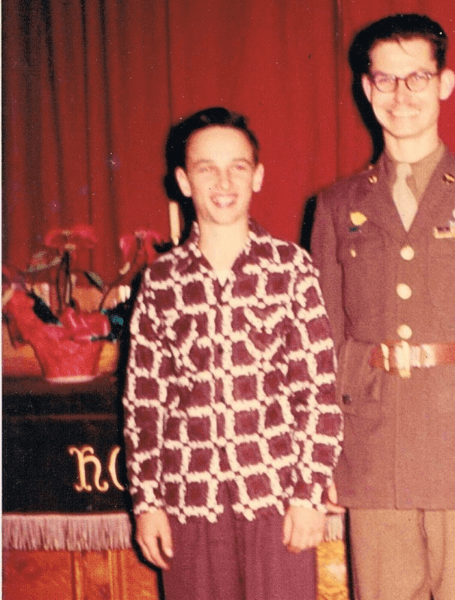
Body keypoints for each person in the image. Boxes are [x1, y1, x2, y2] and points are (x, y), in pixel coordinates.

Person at [310, 13, 455, 600]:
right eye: (385, 81)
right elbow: (322, 342)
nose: (401, 96)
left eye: (417, 78)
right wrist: (325, 460)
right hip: (373, 448)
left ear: (445, 84)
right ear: (366, 90)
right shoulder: (337, 207)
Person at [122, 107, 343, 600]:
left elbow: (319, 392)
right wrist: (148, 502)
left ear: (257, 176)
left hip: (275, 497)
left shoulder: (291, 269)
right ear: (183, 180)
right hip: (189, 503)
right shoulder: (160, 282)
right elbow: (145, 404)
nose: (224, 182)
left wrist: (309, 494)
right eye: (206, 168)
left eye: (238, 167)